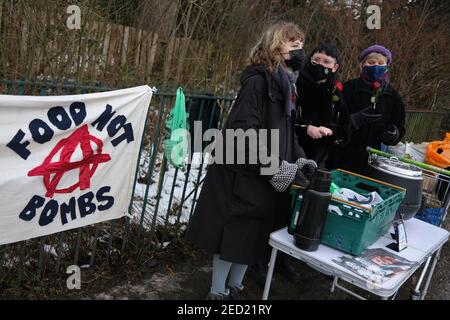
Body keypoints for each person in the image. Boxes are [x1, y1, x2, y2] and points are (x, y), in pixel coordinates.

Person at [185, 21, 317, 300]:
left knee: (253, 237)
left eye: (301, 44)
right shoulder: (258, 81)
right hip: (241, 175)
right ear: (274, 45)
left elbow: (288, 134)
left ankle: (236, 288)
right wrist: (277, 168)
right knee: (233, 236)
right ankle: (218, 292)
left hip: (265, 177)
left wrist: (301, 161)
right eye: (291, 42)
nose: (299, 49)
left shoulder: (288, 87)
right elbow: (243, 136)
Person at [335, 45, 406, 174]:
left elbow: (399, 126)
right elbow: (333, 119)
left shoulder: (393, 96)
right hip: (342, 155)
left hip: (374, 160)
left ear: (387, 66)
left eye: (380, 63)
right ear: (362, 65)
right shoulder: (347, 89)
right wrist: (353, 120)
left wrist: (394, 134)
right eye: (371, 63)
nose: (376, 67)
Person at [295, 43, 351, 169]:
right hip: (292, 154)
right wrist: (306, 128)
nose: (321, 65)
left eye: (326, 62)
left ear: (334, 67)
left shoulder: (335, 92)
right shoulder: (296, 84)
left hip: (319, 161)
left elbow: (345, 128)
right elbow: (284, 118)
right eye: (317, 60)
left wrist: (331, 131)